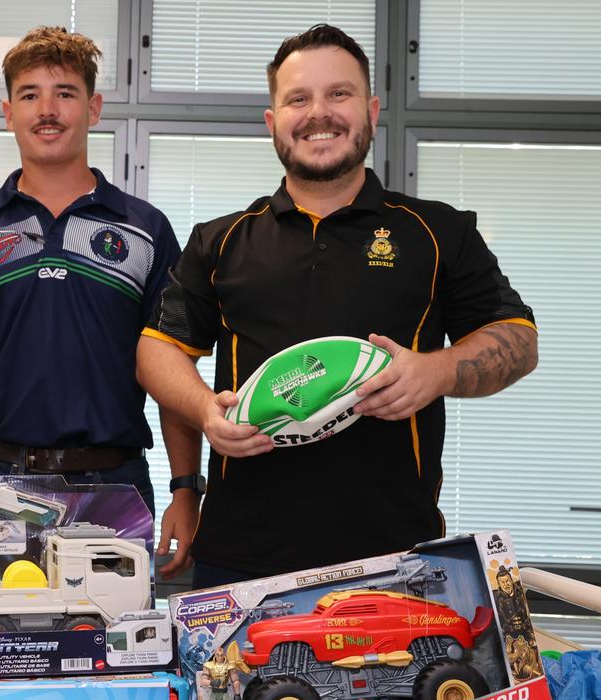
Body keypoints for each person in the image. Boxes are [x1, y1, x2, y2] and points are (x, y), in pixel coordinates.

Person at [136, 25, 538, 589]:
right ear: (272, 122)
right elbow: (157, 349)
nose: (319, 113)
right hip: (240, 560)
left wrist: (436, 370)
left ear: (371, 109)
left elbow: (518, 339)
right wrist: (205, 409)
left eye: (339, 94)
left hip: (396, 560)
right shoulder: (220, 240)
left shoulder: (437, 231)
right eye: (298, 98)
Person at [0, 27, 200, 559]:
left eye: (65, 93)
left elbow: (172, 367)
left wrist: (186, 489)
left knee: (113, 643)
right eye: (30, 95)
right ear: (8, 111)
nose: (47, 109)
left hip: (115, 489)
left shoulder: (147, 229)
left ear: (93, 108)